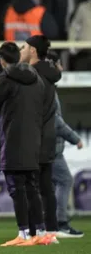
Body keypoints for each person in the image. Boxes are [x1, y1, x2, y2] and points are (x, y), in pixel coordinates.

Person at [0, 41, 51, 246]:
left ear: (2, 60)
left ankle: (23, 234)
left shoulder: (7, 79)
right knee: (32, 187)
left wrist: (0, 81)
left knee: (17, 188)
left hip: (12, 140)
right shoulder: (37, 79)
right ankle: (39, 232)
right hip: (34, 140)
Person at [20, 35, 60, 243]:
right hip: (47, 135)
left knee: (31, 186)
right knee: (45, 186)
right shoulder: (49, 74)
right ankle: (51, 231)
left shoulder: (33, 76)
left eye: (24, 47)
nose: (22, 49)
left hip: (34, 136)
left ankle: (36, 233)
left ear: (33, 50)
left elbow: (31, 110)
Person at [46, 51, 84, 238]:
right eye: (59, 64)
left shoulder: (43, 86)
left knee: (51, 185)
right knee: (65, 180)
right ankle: (59, 223)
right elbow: (55, 121)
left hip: (45, 145)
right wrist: (74, 138)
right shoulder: (48, 89)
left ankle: (49, 223)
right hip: (51, 147)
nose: (62, 68)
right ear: (52, 65)